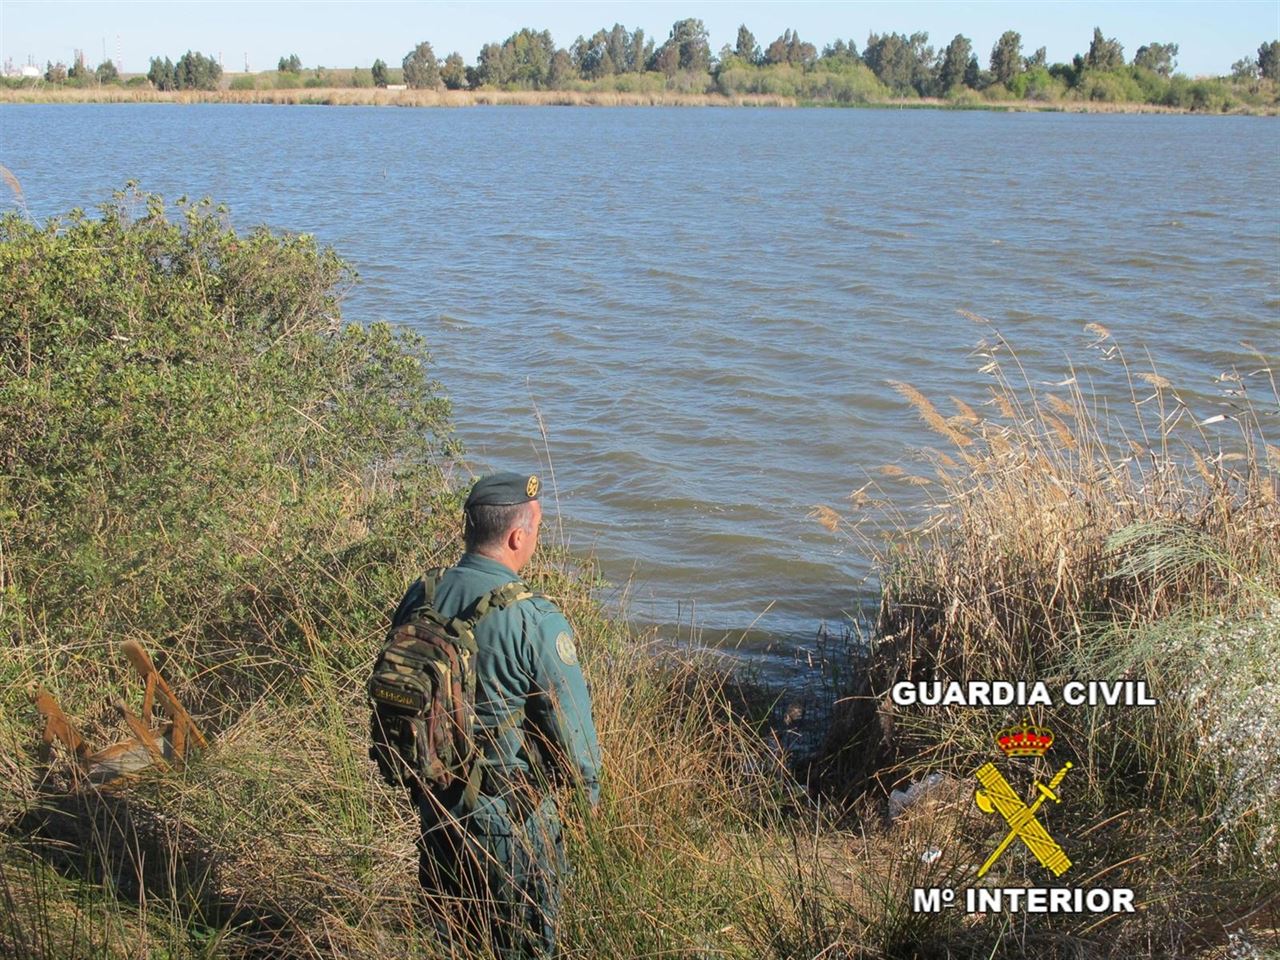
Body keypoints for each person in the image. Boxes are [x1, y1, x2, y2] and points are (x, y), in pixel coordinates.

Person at [389, 471, 601, 958]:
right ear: (516, 537)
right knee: (523, 947)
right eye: (537, 529)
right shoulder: (535, 619)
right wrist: (587, 802)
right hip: (512, 825)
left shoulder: (421, 594)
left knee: (452, 941)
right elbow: (577, 743)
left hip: (435, 809)